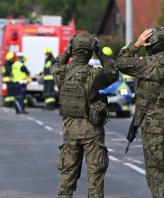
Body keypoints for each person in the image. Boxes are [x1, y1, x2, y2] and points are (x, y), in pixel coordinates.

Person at [117, 27, 164, 198]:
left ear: (151, 44)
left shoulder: (149, 64)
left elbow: (121, 63)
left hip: (153, 128)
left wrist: (136, 44)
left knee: (157, 173)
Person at [51, 33, 118, 198]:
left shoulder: (62, 72)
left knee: (67, 177)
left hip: (70, 131)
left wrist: (67, 50)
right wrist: (99, 52)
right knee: (95, 179)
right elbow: (113, 72)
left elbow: (55, 65)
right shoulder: (95, 74)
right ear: (90, 53)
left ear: (73, 51)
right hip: (92, 131)